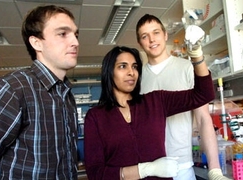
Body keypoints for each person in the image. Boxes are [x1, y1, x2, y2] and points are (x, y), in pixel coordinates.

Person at [84, 45, 215, 180]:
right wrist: (144, 170)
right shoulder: (95, 117)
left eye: (134, 67)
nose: (131, 72)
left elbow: (204, 94)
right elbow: (96, 173)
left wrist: (197, 55)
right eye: (123, 66)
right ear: (109, 72)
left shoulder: (155, 102)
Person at [0, 5, 79, 179]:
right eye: (63, 34)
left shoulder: (66, 96)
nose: (75, 42)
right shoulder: (13, 89)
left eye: (75, 34)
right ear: (36, 42)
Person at [136, 14, 230, 180]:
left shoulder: (188, 68)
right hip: (148, 167)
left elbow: (203, 119)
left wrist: (215, 170)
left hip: (182, 167)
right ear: (140, 43)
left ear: (165, 35)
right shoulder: (136, 78)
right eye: (145, 36)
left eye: (156, 32)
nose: (151, 39)